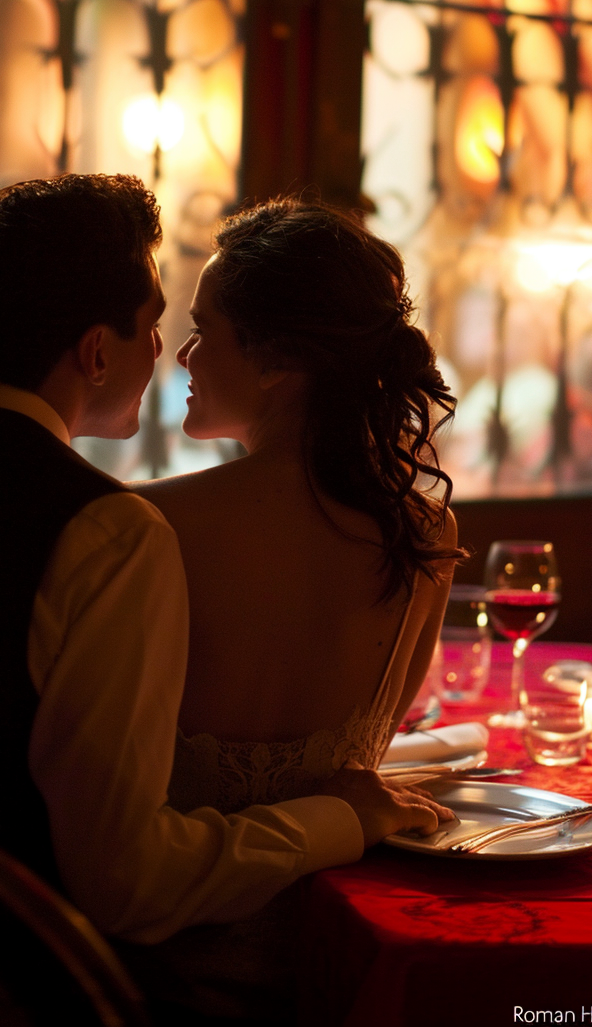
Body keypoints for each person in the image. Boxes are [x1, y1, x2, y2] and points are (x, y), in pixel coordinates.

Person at [0, 173, 448, 954]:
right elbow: (123, 875)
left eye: (195, 329)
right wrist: (339, 815)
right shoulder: (113, 532)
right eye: (157, 326)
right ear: (97, 351)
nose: (171, 353)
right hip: (7, 973)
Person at [131, 197, 464, 1018]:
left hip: (159, 976)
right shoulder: (424, 535)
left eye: (205, 328)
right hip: (339, 968)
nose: (184, 352)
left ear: (276, 361)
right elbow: (361, 768)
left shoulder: (152, 528)